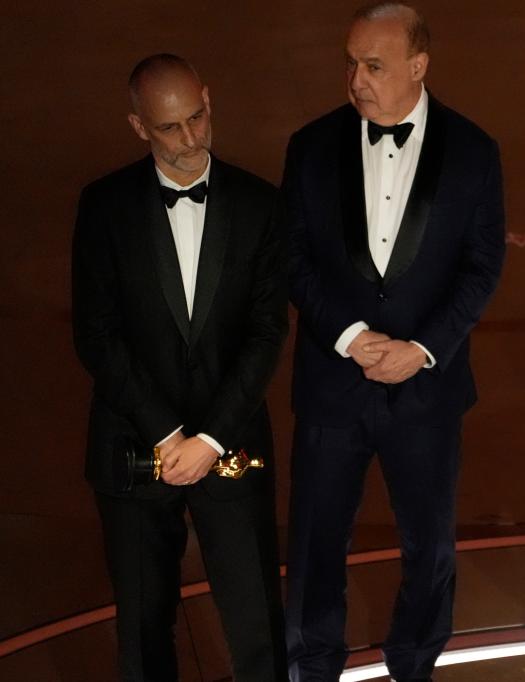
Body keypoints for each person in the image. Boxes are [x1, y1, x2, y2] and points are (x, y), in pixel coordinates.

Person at [281, 3, 505, 680]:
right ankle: (312, 667)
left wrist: (421, 349)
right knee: (317, 544)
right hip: (332, 383)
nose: (356, 79)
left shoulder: (474, 151)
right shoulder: (311, 146)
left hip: (425, 389)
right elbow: (290, 257)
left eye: (373, 65)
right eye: (350, 62)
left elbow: (482, 266)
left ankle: (414, 665)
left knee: (429, 546)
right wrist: (349, 337)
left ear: (418, 65)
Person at [72, 54, 289, 681]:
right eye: (171, 128)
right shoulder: (104, 207)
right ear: (139, 127)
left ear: (208, 101)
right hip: (136, 449)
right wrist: (169, 437)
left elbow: (267, 331)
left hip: (232, 447)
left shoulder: (260, 204)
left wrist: (211, 438)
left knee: (257, 629)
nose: (191, 139)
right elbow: (97, 335)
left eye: (198, 118)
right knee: (142, 632)